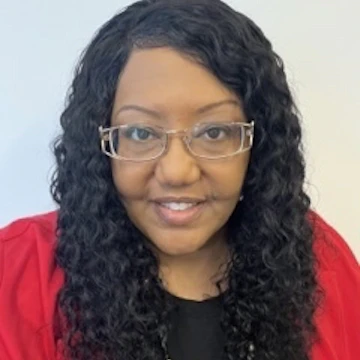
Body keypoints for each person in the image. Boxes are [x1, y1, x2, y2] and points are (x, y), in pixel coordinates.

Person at [0, 0, 359, 359]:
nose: (177, 172)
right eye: (141, 133)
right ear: (100, 144)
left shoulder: (322, 264)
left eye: (215, 132)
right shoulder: (16, 272)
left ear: (259, 144)